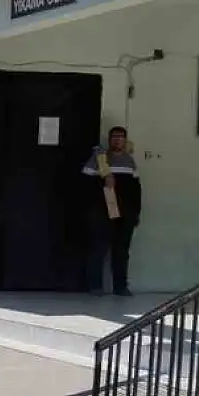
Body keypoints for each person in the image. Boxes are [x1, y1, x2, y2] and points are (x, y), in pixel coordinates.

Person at [82, 126, 142, 296]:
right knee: (98, 249)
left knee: (122, 251)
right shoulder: (98, 159)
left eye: (121, 137)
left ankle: (121, 287)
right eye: (114, 137)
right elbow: (84, 185)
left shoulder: (130, 162)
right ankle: (95, 286)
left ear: (125, 141)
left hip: (125, 214)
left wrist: (135, 213)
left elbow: (136, 190)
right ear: (109, 140)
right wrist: (103, 181)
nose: (118, 140)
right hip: (101, 213)